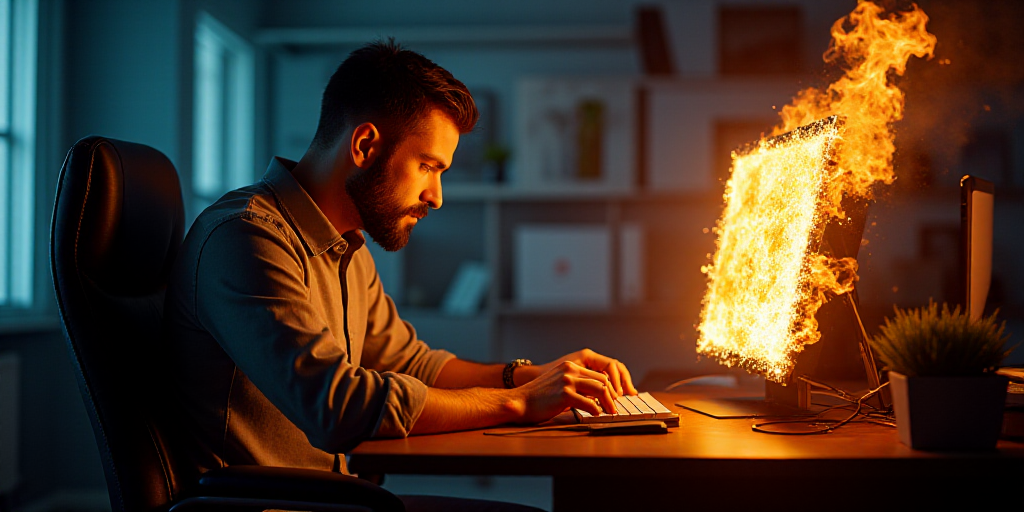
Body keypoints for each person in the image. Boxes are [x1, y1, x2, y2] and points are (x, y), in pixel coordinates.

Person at [162, 39, 637, 510]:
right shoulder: (245, 238)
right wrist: (515, 405)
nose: (437, 196)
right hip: (267, 509)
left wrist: (526, 377)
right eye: (428, 166)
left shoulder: (347, 243)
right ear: (366, 145)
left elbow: (410, 363)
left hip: (334, 499)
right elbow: (337, 407)